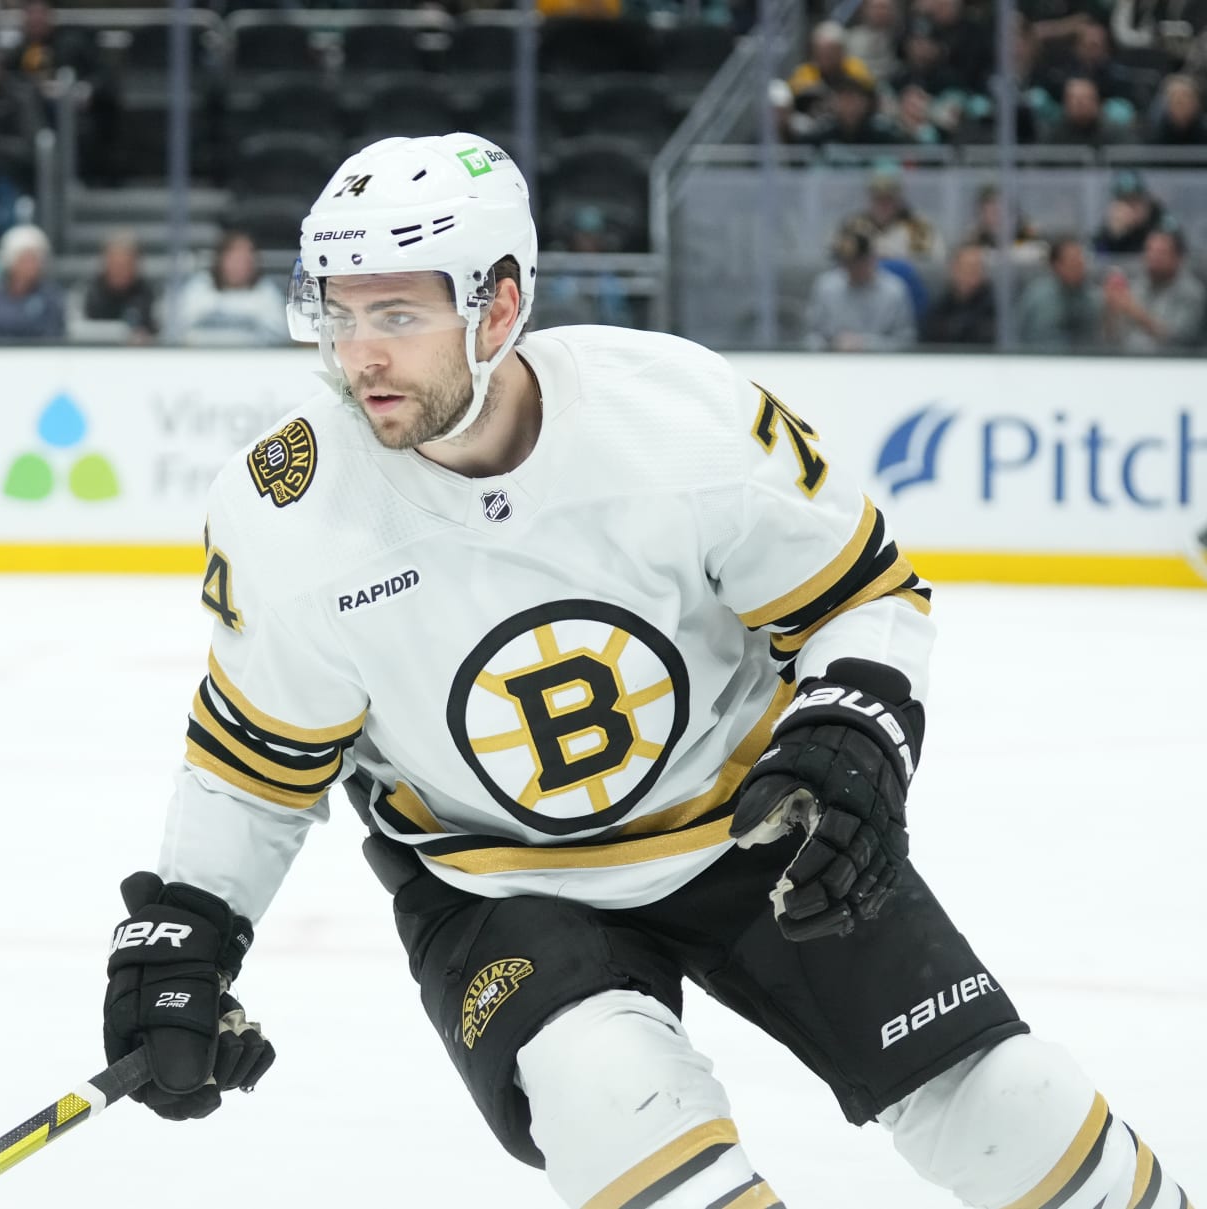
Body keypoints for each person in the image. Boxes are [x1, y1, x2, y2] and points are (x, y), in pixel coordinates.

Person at [96, 131, 1196, 1209]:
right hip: (499, 885)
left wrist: (853, 730)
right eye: (337, 312)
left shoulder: (678, 416)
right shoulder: (289, 509)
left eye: (397, 314)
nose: (358, 355)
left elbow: (862, 599)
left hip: (756, 829)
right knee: (613, 1100)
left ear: (501, 305)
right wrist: (187, 926)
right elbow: (254, 761)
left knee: (1013, 1109)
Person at [805, 223, 917, 350]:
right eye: (846, 262)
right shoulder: (826, 287)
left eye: (856, 262)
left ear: (871, 259)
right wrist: (831, 344)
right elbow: (811, 336)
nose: (850, 268)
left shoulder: (894, 291)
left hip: (881, 364)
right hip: (834, 362)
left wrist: (865, 344)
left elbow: (906, 342)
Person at [174, 230, 289, 346]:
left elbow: (281, 339)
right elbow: (178, 334)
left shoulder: (267, 295)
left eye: (244, 260)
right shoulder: (197, 290)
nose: (238, 266)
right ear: (221, 260)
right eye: (234, 259)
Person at [1103, 226, 1205, 353]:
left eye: (1161, 253)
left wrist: (1137, 314)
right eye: (1149, 251)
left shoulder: (1192, 294)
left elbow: (1181, 340)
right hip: (1128, 364)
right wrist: (1111, 311)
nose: (1153, 258)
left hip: (1174, 367)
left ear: (1178, 258)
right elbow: (1113, 340)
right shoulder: (1136, 287)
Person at [0, 224, 66, 341]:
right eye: (26, 260)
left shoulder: (50, 297)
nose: (32, 266)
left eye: (36, 259)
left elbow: (54, 336)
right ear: (10, 261)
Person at [1018, 236, 1106, 349]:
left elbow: (1101, 338)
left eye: (1081, 260)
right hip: (1041, 361)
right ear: (1056, 265)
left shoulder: (1092, 296)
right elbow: (1019, 334)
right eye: (1073, 261)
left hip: (1085, 362)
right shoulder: (1037, 296)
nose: (1080, 266)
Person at [80, 230, 159, 340]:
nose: (119, 270)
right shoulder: (91, 292)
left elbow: (156, 332)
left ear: (135, 265)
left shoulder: (146, 293)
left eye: (124, 265)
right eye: (115, 264)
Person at [921, 243, 997, 345]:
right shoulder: (941, 306)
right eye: (965, 268)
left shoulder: (995, 307)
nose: (970, 273)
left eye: (976, 268)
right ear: (953, 269)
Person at [1151, 74, 1207, 144]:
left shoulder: (1204, 132)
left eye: (1186, 97)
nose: (1180, 101)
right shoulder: (1152, 135)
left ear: (1196, 102)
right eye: (1175, 99)